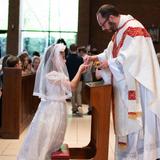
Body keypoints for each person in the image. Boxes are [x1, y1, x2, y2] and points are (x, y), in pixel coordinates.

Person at [84, 4, 160, 160]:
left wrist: (108, 64)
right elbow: (109, 53)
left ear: (111, 18)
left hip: (137, 89)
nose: (103, 28)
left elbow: (130, 57)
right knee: (126, 123)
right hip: (124, 89)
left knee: (134, 124)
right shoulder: (119, 32)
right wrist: (94, 58)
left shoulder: (134, 29)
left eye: (103, 24)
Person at [17, 43, 89, 160]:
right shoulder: (52, 74)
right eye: (62, 56)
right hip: (52, 108)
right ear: (54, 58)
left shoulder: (57, 73)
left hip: (57, 106)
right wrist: (80, 70)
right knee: (49, 135)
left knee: (54, 135)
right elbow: (72, 86)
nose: (64, 59)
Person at [66, 44, 84, 116]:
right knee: (78, 93)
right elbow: (82, 69)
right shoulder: (80, 58)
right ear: (77, 49)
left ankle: (74, 109)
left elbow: (66, 70)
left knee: (72, 95)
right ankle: (79, 106)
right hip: (79, 79)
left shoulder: (67, 58)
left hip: (70, 79)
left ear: (70, 49)